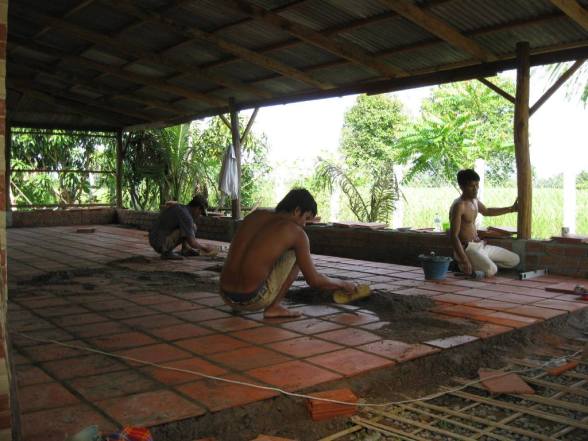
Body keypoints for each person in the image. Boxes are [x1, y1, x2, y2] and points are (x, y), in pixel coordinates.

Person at [220, 188, 356, 318]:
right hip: (251, 299)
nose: (304, 225)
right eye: (306, 218)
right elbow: (314, 280)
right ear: (297, 211)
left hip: (225, 296)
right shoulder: (296, 233)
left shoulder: (255, 215)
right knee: (297, 254)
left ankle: (240, 302)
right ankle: (273, 308)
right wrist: (343, 284)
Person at [449, 169, 520, 278]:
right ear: (462, 186)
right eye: (471, 186)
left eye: (477, 185)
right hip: (467, 249)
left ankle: (480, 264)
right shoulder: (459, 206)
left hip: (480, 246)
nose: (475, 189)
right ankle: (462, 265)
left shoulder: (474, 200)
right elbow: (453, 236)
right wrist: (464, 260)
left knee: (514, 260)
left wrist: (511, 209)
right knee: (492, 270)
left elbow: (487, 211)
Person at [149, 194, 213, 260]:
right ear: (197, 208)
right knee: (189, 228)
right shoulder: (186, 216)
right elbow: (192, 242)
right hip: (159, 242)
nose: (199, 215)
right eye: (201, 212)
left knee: (192, 227)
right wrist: (205, 248)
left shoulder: (182, 208)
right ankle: (166, 252)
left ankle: (185, 249)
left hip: (155, 238)